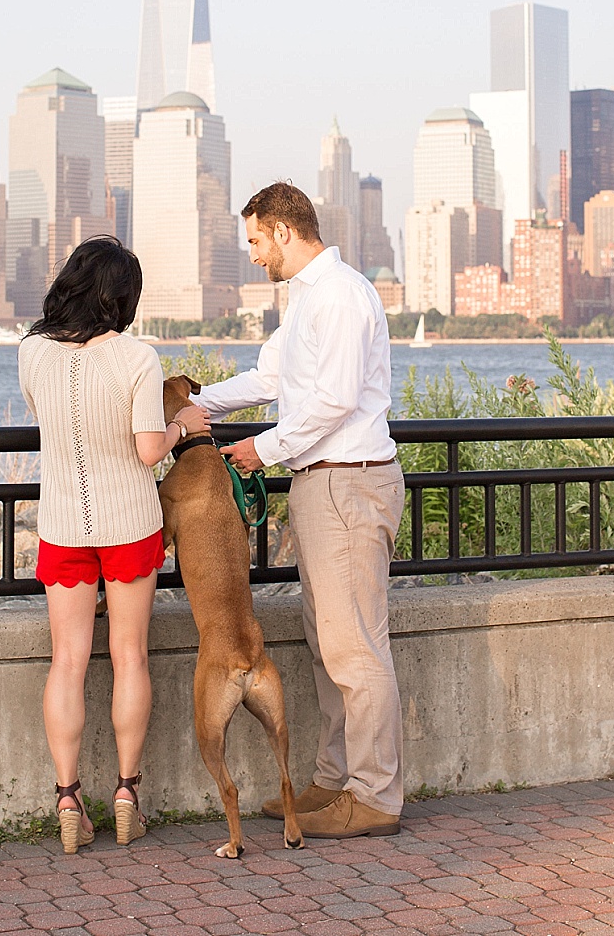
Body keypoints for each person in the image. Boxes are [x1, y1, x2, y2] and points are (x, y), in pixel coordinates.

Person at [197, 183, 405, 839]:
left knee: (355, 651)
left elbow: (335, 401)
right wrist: (196, 409)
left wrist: (264, 447)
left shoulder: (340, 296)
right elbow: (270, 381)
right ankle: (334, 779)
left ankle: (373, 796)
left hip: (346, 482)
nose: (254, 255)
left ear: (284, 231)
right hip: (323, 483)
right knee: (328, 643)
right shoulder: (310, 297)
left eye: (256, 240)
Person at [18, 236, 209, 853]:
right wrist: (186, 425)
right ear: (124, 297)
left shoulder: (31, 353)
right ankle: (127, 791)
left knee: (67, 662)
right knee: (130, 656)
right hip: (129, 521)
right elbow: (150, 450)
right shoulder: (138, 357)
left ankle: (68, 797)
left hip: (64, 524)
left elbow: (47, 420)